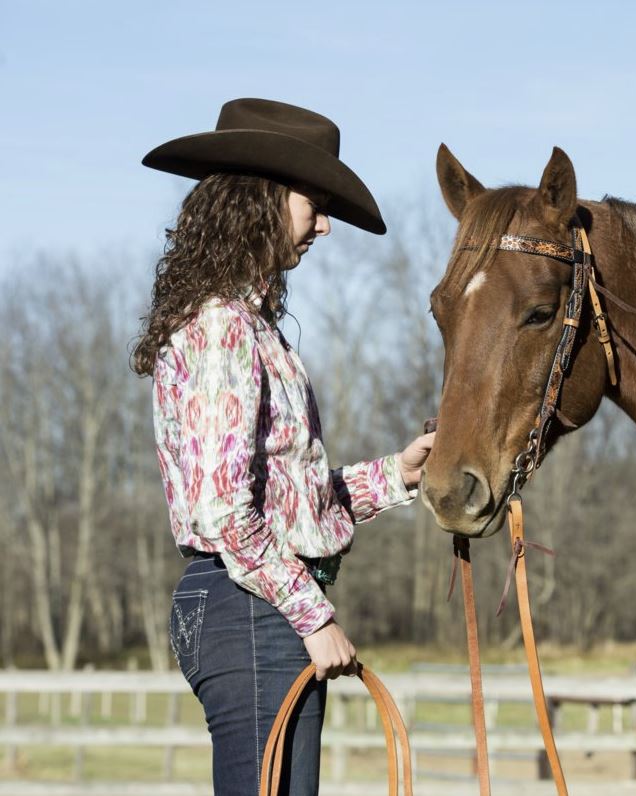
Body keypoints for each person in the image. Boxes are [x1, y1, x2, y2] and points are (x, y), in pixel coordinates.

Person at [131, 98, 433, 796]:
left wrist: (399, 473)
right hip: (248, 603)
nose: (324, 225)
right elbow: (223, 514)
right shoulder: (221, 329)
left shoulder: (250, 326)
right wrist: (313, 614)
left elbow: (286, 500)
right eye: (315, 204)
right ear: (263, 199)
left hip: (255, 601)